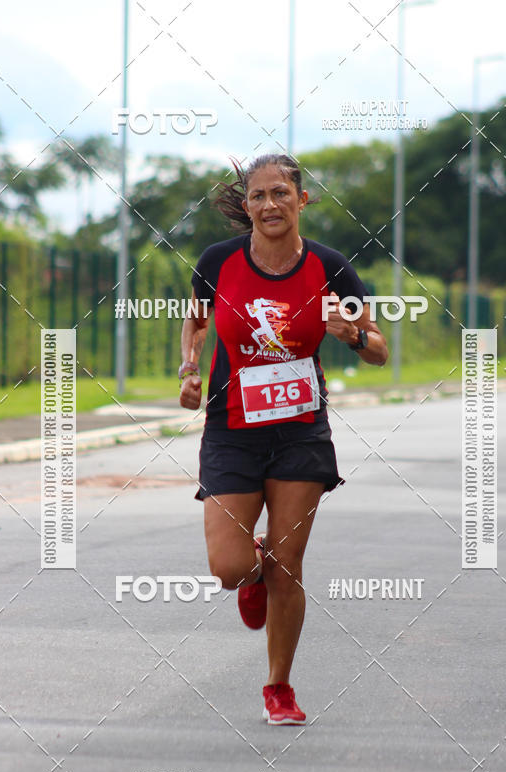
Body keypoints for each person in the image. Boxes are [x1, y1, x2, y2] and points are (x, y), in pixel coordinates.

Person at [178, 154, 388, 725]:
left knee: (288, 564)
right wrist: (189, 369)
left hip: (300, 432)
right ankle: (252, 575)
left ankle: (279, 688)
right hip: (232, 430)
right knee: (228, 567)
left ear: (301, 199)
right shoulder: (217, 262)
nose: (269, 204)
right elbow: (196, 321)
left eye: (280, 193)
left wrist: (351, 336)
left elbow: (378, 347)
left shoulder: (330, 267)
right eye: (257, 196)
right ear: (245, 206)